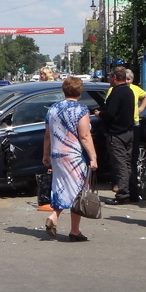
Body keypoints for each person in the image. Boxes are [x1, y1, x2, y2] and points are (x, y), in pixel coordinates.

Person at [42, 76, 99, 242]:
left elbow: (47, 135)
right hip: (74, 155)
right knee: (78, 191)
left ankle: (56, 218)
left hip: (57, 154)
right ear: (79, 92)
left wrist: (45, 154)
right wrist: (93, 157)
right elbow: (85, 136)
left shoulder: (52, 109)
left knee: (61, 188)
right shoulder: (81, 110)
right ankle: (72, 229)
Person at [100, 66, 136, 204]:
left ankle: (123, 195)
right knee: (127, 163)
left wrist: (100, 114)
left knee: (120, 165)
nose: (109, 80)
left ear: (114, 78)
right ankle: (132, 192)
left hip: (116, 133)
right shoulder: (129, 91)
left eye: (110, 77)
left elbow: (110, 113)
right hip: (128, 131)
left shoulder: (116, 92)